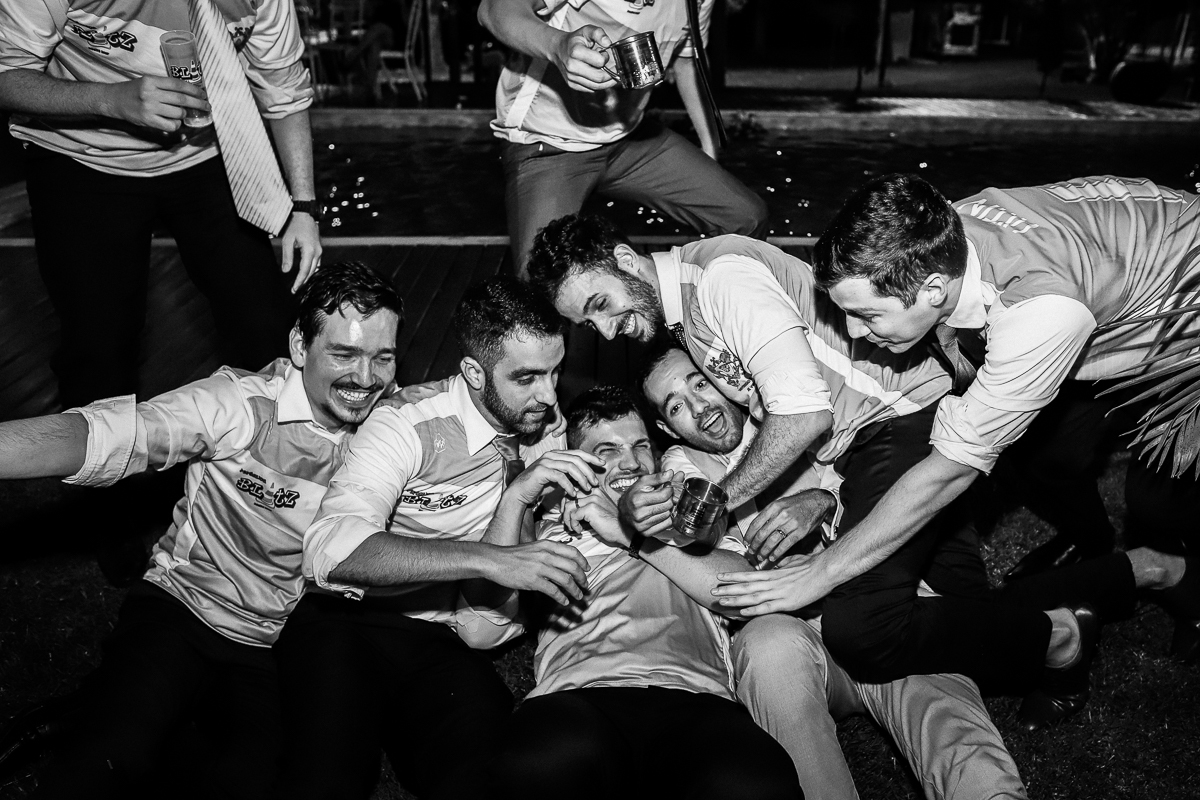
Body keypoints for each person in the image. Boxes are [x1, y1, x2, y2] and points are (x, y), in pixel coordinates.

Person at [525, 213, 1179, 729]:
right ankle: (1139, 571)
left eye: (601, 303)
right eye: (589, 323)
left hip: (896, 426)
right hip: (867, 444)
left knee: (864, 630)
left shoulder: (720, 278)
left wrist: (717, 502)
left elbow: (804, 415)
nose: (604, 330)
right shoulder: (689, 312)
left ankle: (1059, 639)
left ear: (626, 260)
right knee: (959, 612)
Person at [711, 174, 1200, 665]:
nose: (853, 331)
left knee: (1159, 500)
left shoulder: (1040, 311)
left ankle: (1184, 577)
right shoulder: (934, 234)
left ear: (933, 288)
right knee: (1052, 456)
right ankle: (1098, 547)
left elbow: (950, 471)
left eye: (868, 316)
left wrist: (821, 573)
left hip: (1186, 322)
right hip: (1121, 281)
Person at [0, 262, 403, 799]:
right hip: (180, 607)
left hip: (271, 643)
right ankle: (108, 713)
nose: (366, 378)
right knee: (107, 762)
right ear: (299, 347)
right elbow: (116, 434)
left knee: (241, 781)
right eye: (344, 354)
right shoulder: (241, 404)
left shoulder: (392, 431)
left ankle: (95, 706)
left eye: (383, 357)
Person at [639, 347, 1027, 799]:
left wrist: (823, 503)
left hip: (881, 609)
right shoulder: (685, 473)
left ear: (723, 374)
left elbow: (886, 484)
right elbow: (726, 582)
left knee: (956, 738)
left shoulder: (795, 405)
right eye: (676, 406)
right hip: (802, 641)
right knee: (766, 646)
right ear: (668, 430)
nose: (699, 407)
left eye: (700, 383)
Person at [276, 276, 594, 800]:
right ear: (473, 372)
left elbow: (488, 625)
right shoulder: (405, 424)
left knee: (485, 777)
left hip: (437, 639)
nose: (549, 394)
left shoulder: (545, 427)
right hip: (346, 622)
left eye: (555, 371)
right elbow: (330, 548)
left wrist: (529, 500)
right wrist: (487, 560)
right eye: (527, 377)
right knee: (325, 776)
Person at [0, 0, 322, 410]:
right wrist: (111, 100)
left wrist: (304, 207)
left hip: (205, 153)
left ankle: (281, 443)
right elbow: (7, 77)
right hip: (81, 158)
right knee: (98, 354)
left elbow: (284, 89)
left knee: (266, 325)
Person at [490, 386, 803, 800]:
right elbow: (484, 622)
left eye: (640, 446)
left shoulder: (693, 525)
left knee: (756, 785)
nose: (631, 462)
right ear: (577, 465)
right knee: (539, 765)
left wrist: (630, 536)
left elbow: (745, 593)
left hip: (697, 701)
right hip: (579, 697)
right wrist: (517, 495)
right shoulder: (555, 530)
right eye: (607, 451)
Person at [477, 0, 768, 276]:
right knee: (540, 282)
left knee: (746, 218)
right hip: (547, 140)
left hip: (630, 137)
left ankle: (714, 300)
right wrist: (558, 46)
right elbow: (492, 9)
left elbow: (688, 63)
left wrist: (710, 149)